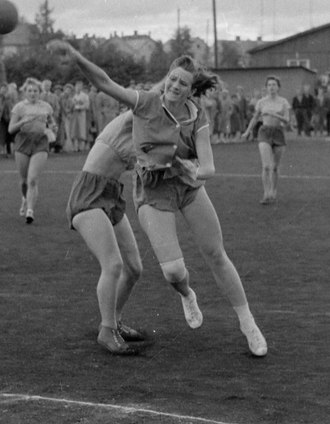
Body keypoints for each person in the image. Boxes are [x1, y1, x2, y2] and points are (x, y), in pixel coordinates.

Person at [50, 39, 267, 357]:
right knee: (166, 272)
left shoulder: (194, 114)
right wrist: (75, 56)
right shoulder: (144, 104)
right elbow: (106, 83)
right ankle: (175, 298)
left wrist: (183, 167)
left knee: (143, 266)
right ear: (166, 81)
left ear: (192, 90)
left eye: (184, 83)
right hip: (121, 193)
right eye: (172, 80)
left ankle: (248, 324)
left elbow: (206, 165)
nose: (176, 86)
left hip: (162, 189)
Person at [62, 108, 148, 355]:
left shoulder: (149, 131)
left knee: (134, 268)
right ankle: (106, 330)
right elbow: (157, 93)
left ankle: (115, 321)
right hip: (89, 193)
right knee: (113, 265)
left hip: (111, 194)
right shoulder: (126, 121)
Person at [8, 78, 57, 222]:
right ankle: (25, 198)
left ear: (39, 92)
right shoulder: (19, 107)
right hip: (23, 141)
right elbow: (11, 129)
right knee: (24, 180)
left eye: (35, 91)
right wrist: (23, 121)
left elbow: (52, 122)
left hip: (40, 141)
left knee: (33, 179)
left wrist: (54, 127)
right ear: (25, 92)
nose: (33, 93)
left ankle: (30, 211)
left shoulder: (46, 106)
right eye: (29, 91)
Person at [243, 75, 292, 204]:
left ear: (278, 87)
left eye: (274, 85)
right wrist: (247, 131)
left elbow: (287, 120)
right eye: (269, 85)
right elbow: (255, 118)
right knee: (266, 166)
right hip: (264, 132)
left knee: (275, 167)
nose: (271, 87)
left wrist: (275, 115)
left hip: (278, 133)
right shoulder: (261, 102)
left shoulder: (283, 102)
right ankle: (266, 193)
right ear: (266, 87)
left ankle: (273, 190)